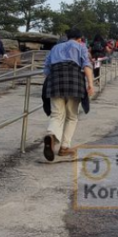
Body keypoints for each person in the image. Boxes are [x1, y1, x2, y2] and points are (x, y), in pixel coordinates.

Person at [41, 28, 95, 161]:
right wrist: (90, 84)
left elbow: (46, 69)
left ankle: (52, 135)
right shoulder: (81, 46)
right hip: (74, 79)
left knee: (56, 114)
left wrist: (51, 82)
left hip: (55, 80)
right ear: (80, 38)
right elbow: (87, 65)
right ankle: (64, 147)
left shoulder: (55, 48)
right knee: (71, 116)